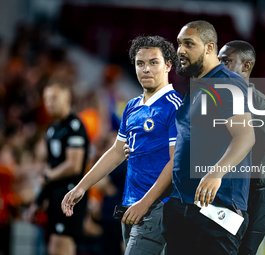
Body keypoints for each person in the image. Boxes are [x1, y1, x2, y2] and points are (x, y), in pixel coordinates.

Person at [61, 35, 181, 255]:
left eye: (153, 62)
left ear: (168, 65)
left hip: (158, 206)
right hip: (130, 207)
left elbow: (176, 162)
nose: (146, 69)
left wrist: (145, 204)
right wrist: (82, 186)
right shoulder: (132, 106)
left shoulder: (175, 107)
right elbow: (116, 152)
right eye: (140, 63)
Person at [159, 20, 254, 255]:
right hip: (183, 207)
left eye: (189, 44)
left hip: (217, 209)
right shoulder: (195, 87)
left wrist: (216, 173)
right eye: (179, 44)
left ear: (210, 48)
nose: (180, 50)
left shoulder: (227, 83)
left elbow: (245, 137)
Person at [218, 40, 265, 255]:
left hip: (254, 197)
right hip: (219, 192)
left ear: (246, 66)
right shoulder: (209, 103)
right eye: (218, 61)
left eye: (227, 61)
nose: (220, 67)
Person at [27, 78, 89, 255]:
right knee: (53, 249)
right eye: (46, 98)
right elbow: (50, 168)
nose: (49, 103)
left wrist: (47, 176)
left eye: (54, 98)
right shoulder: (52, 129)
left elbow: (74, 166)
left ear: (67, 98)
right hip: (55, 197)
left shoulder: (75, 126)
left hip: (70, 197)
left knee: (62, 249)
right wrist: (38, 201)